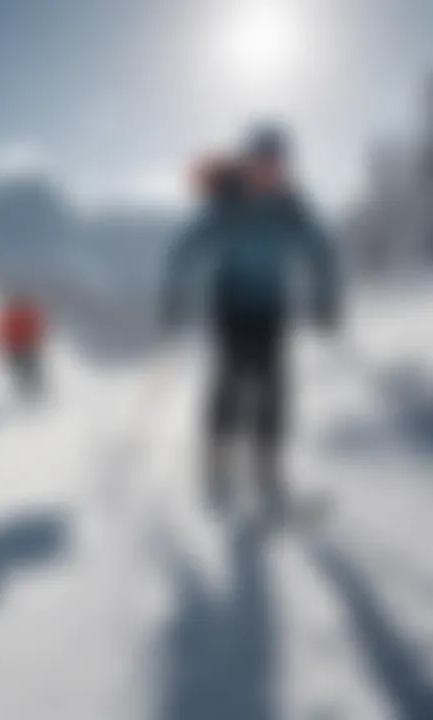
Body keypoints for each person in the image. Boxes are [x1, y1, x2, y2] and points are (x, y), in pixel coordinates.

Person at [161, 126, 339, 517]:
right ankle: (218, 464)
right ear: (248, 163)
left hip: (272, 310)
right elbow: (188, 248)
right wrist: (174, 297)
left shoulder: (289, 208)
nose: (270, 171)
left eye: (277, 164)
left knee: (274, 389)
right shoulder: (228, 203)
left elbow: (319, 249)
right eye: (263, 162)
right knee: (230, 383)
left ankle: (266, 472)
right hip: (230, 307)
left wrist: (327, 296)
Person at [0, 295, 47, 401]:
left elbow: (36, 328)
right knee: (24, 371)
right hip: (21, 348)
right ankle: (28, 392)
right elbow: (37, 328)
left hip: (22, 347)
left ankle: (31, 392)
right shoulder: (20, 315)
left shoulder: (13, 316)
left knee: (26, 370)